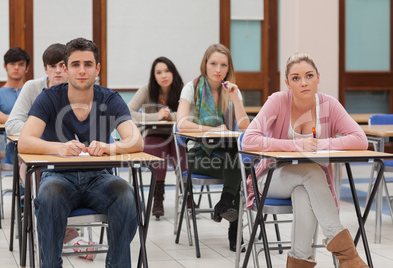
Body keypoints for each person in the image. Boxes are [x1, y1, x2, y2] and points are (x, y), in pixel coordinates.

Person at [18, 37, 143, 268]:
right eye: (75, 64)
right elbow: (24, 142)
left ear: (97, 69)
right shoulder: (49, 97)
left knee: (127, 195)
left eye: (88, 64)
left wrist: (109, 147)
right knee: (49, 196)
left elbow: (136, 140)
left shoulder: (110, 98)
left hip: (99, 178)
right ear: (65, 69)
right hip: (58, 177)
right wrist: (59, 148)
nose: (82, 71)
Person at [241, 52, 369, 267]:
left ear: (318, 77)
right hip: (271, 179)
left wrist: (321, 144)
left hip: (309, 184)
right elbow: (249, 141)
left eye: (309, 76)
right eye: (296, 78)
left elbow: (360, 140)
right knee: (311, 171)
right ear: (287, 83)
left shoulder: (329, 104)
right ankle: (348, 256)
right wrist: (297, 145)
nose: (304, 83)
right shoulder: (278, 101)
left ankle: (298, 262)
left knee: (303, 192)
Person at [6, 43, 97, 260]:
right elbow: (12, 124)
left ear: (68, 67)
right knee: (36, 174)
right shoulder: (32, 88)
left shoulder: (82, 87)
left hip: (74, 157)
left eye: (61, 66)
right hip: (38, 155)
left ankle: (59, 231)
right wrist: (43, 134)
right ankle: (67, 234)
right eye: (51, 66)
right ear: (45, 69)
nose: (57, 71)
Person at [176, 44, 250, 252]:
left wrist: (236, 98)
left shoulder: (232, 90)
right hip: (198, 154)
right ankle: (234, 232)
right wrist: (212, 129)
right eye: (213, 64)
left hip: (224, 155)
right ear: (205, 65)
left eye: (223, 65)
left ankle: (225, 203)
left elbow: (245, 127)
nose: (218, 69)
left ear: (229, 68)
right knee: (238, 167)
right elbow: (181, 123)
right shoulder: (192, 87)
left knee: (236, 157)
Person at [128, 56, 186, 218]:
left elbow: (190, 115)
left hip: (177, 135)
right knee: (157, 153)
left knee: (182, 153)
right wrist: (157, 116)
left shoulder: (183, 90)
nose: (164, 75)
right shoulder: (146, 90)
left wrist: (170, 117)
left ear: (174, 73)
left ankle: (186, 194)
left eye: (167, 71)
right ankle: (157, 198)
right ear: (154, 76)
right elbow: (129, 112)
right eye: (159, 72)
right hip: (154, 134)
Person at [0, 46, 31, 164]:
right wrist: (30, 120)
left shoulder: (33, 91)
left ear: (27, 68)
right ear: (5, 66)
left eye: (21, 64)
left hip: (35, 142)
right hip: (11, 146)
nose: (16, 67)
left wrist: (5, 117)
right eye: (12, 64)